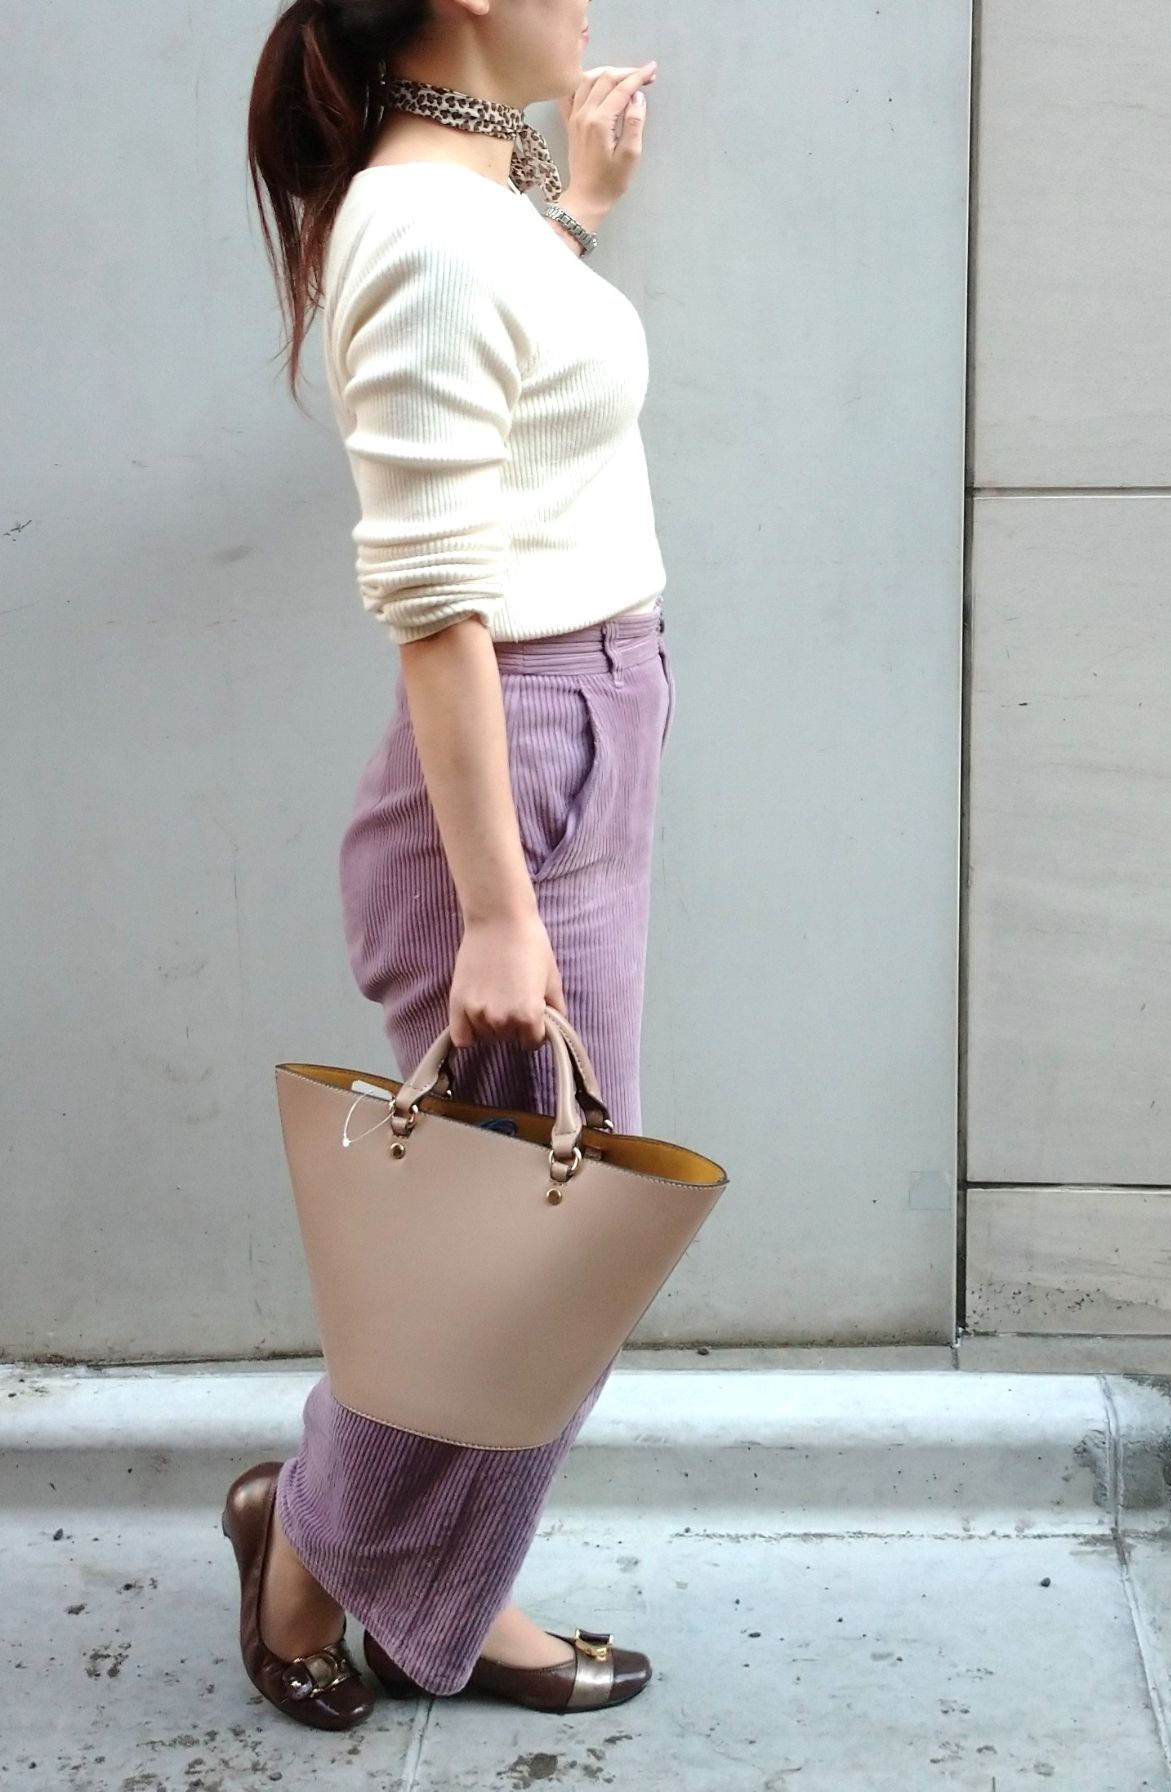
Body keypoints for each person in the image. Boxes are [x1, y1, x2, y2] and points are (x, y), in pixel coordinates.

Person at [227, 0, 673, 1731]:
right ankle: (313, 1549)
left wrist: (584, 211)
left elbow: (514, 394)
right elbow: (434, 603)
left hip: (585, 724)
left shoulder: (477, 204)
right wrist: (495, 908)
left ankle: (422, 1588)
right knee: (515, 1251)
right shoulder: (421, 228)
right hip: (515, 761)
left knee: (521, 1229)